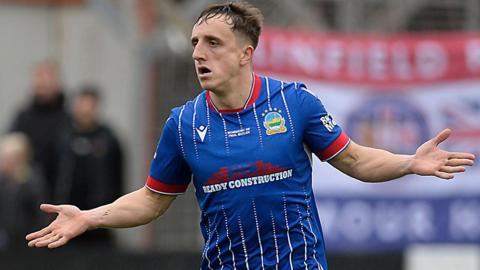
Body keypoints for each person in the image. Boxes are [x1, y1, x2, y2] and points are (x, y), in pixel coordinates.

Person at [25, 2, 476, 270]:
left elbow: (355, 161)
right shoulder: (182, 124)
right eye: (195, 43)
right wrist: (90, 217)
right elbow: (151, 200)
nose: (199, 53)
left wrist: (409, 162)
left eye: (213, 43)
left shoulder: (294, 103)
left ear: (246, 53)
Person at [54, 86, 124, 247]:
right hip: (66, 215)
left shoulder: (109, 139)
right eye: (82, 105)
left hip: (100, 219)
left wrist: (113, 209)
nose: (85, 111)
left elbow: (117, 176)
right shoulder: (63, 137)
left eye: (90, 106)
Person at [10, 60, 71, 202]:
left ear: (57, 83)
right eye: (38, 78)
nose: (41, 84)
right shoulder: (22, 118)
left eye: (47, 78)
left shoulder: (69, 120)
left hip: (61, 195)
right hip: (26, 198)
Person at [0, 133, 46, 250]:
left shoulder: (34, 179)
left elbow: (40, 211)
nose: (4, 162)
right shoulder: (2, 180)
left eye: (8, 158)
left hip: (28, 240)